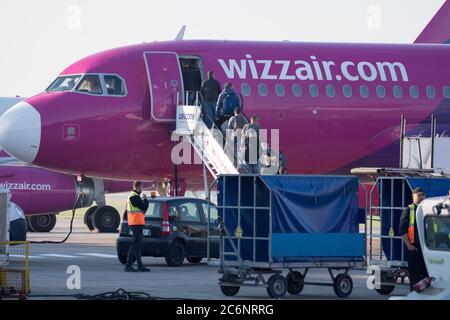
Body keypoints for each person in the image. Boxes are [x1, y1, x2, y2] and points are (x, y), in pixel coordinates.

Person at [399, 187, 429, 290]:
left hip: (426, 249)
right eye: (419, 195)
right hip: (414, 249)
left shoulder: (427, 209)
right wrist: (409, 246)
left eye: (423, 195)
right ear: (413, 196)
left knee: (428, 277)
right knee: (415, 278)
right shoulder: (409, 210)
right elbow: (402, 231)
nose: (422, 197)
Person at [124, 181, 150, 272]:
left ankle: (139, 264)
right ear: (138, 187)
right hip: (136, 223)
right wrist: (146, 200)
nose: (142, 189)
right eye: (141, 187)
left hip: (136, 223)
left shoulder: (133, 196)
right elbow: (144, 207)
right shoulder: (134, 196)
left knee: (138, 245)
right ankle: (128, 265)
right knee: (135, 244)